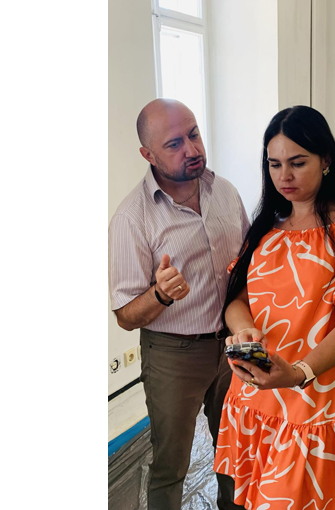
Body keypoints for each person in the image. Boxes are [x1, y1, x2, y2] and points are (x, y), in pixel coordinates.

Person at [212, 105, 335, 510]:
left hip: (318, 399)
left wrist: (298, 373)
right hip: (257, 393)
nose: (285, 176)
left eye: (298, 163)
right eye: (274, 164)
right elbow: (237, 300)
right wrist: (245, 330)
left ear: (326, 159)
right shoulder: (267, 228)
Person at [109, 98, 249, 510]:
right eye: (174, 144)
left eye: (194, 134)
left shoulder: (225, 191)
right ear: (148, 155)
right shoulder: (132, 219)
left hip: (232, 345)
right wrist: (160, 294)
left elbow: (246, 264)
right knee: (171, 464)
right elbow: (125, 316)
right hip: (173, 356)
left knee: (236, 450)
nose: (191, 149)